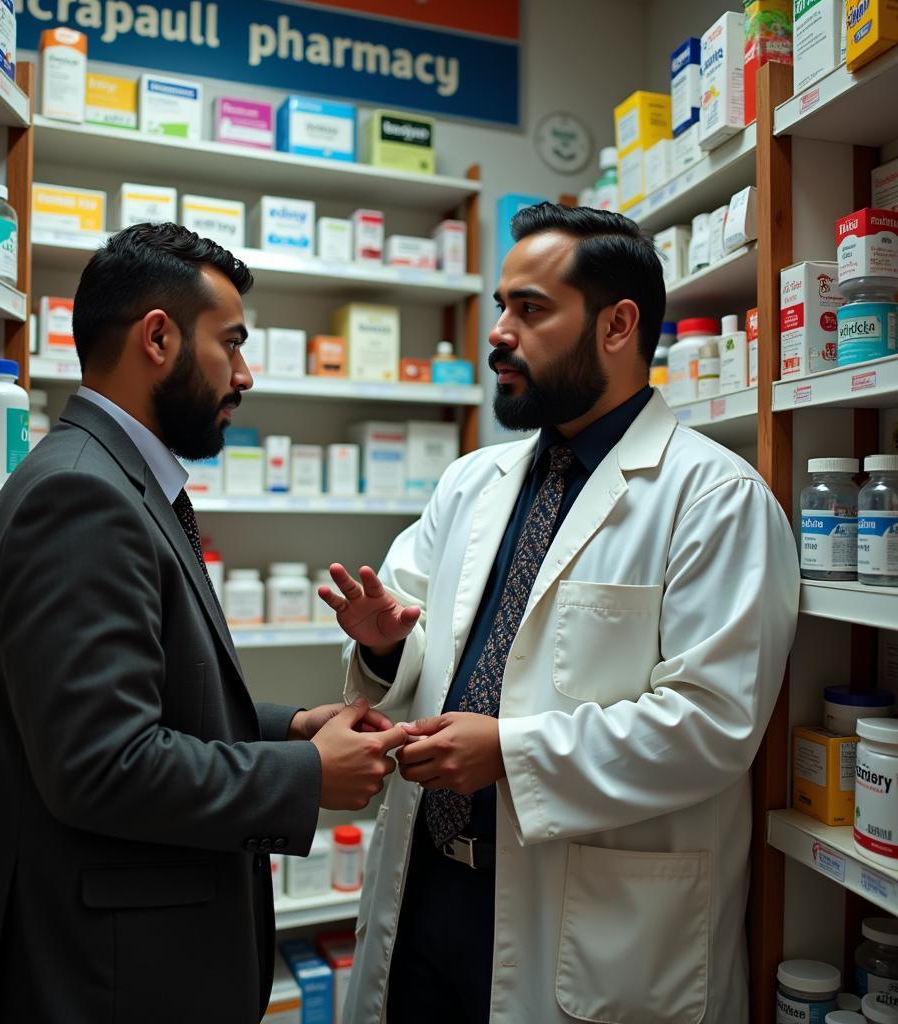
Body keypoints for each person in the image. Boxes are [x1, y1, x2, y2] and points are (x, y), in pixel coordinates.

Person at [321, 203, 800, 1023]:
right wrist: (385, 649)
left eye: (530, 310)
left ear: (618, 326)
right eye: (501, 305)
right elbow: (412, 635)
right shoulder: (472, 482)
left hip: (586, 915)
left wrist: (510, 751)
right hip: (431, 888)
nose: (499, 332)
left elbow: (712, 724)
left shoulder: (715, 499)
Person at [0, 223, 406, 1024]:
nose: (244, 373)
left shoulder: (122, 482)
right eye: (229, 344)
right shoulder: (83, 497)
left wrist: (296, 728)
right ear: (157, 338)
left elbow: (156, 704)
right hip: (107, 981)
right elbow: (102, 764)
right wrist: (309, 777)